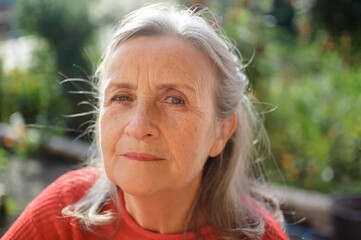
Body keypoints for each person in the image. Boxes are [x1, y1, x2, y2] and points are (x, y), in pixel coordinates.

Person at [2, 4, 289, 240]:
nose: (139, 127)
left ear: (222, 131)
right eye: (121, 97)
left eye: (175, 100)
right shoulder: (64, 214)